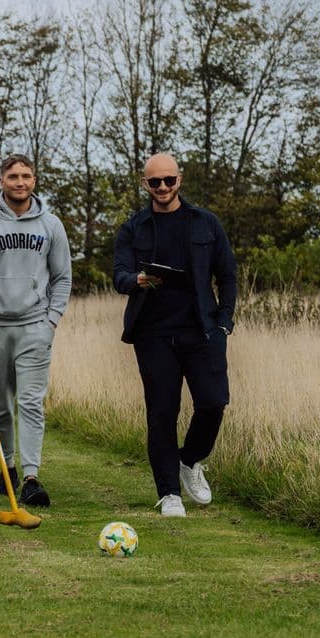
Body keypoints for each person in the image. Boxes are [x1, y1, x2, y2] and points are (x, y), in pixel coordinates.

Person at [113, 153, 237, 517]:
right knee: (162, 413)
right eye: (155, 182)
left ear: (179, 180)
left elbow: (227, 275)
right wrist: (137, 279)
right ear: (145, 184)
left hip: (202, 331)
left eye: (169, 180)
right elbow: (119, 275)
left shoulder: (206, 223)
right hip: (152, 334)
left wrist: (224, 322)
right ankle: (169, 493)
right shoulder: (133, 228)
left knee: (213, 403)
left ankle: (189, 460)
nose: (163, 187)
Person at [0, 153, 72, 507]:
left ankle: (31, 477)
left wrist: (51, 322)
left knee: (30, 402)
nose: (20, 182)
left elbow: (62, 278)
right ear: (2, 181)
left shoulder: (51, 225)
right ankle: (7, 468)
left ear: (34, 180)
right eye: (13, 176)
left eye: (26, 176)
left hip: (34, 327)